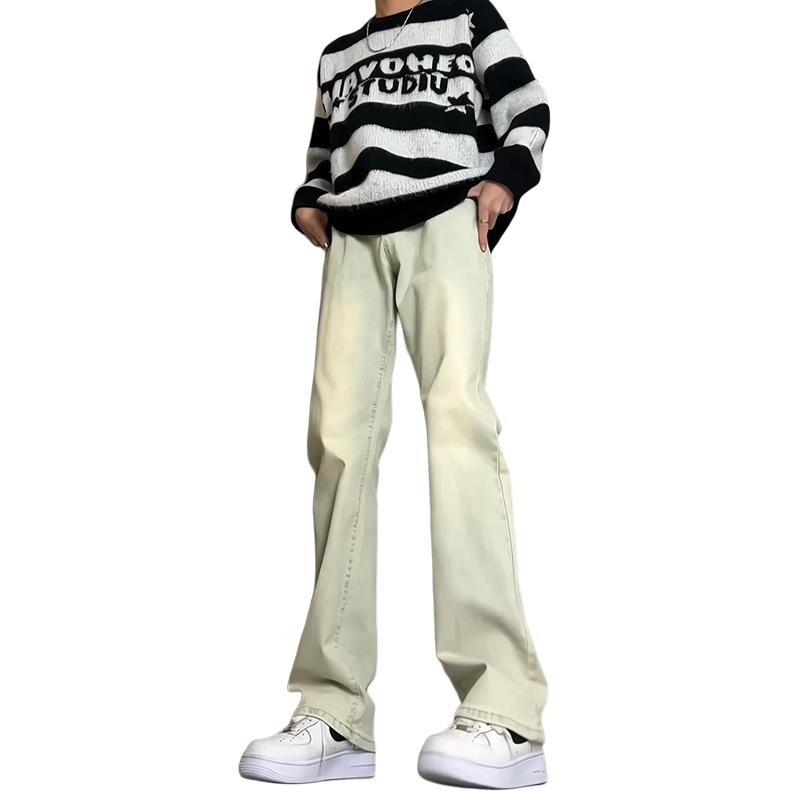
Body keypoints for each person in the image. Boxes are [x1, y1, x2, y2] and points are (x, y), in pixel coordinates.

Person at [239, 0, 550, 786]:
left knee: (457, 426)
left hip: (448, 216)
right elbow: (324, 151)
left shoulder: (467, 18)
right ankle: (334, 710)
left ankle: (505, 708)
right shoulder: (337, 54)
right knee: (337, 445)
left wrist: (505, 180)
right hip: (352, 240)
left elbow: (526, 107)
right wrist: (308, 199)